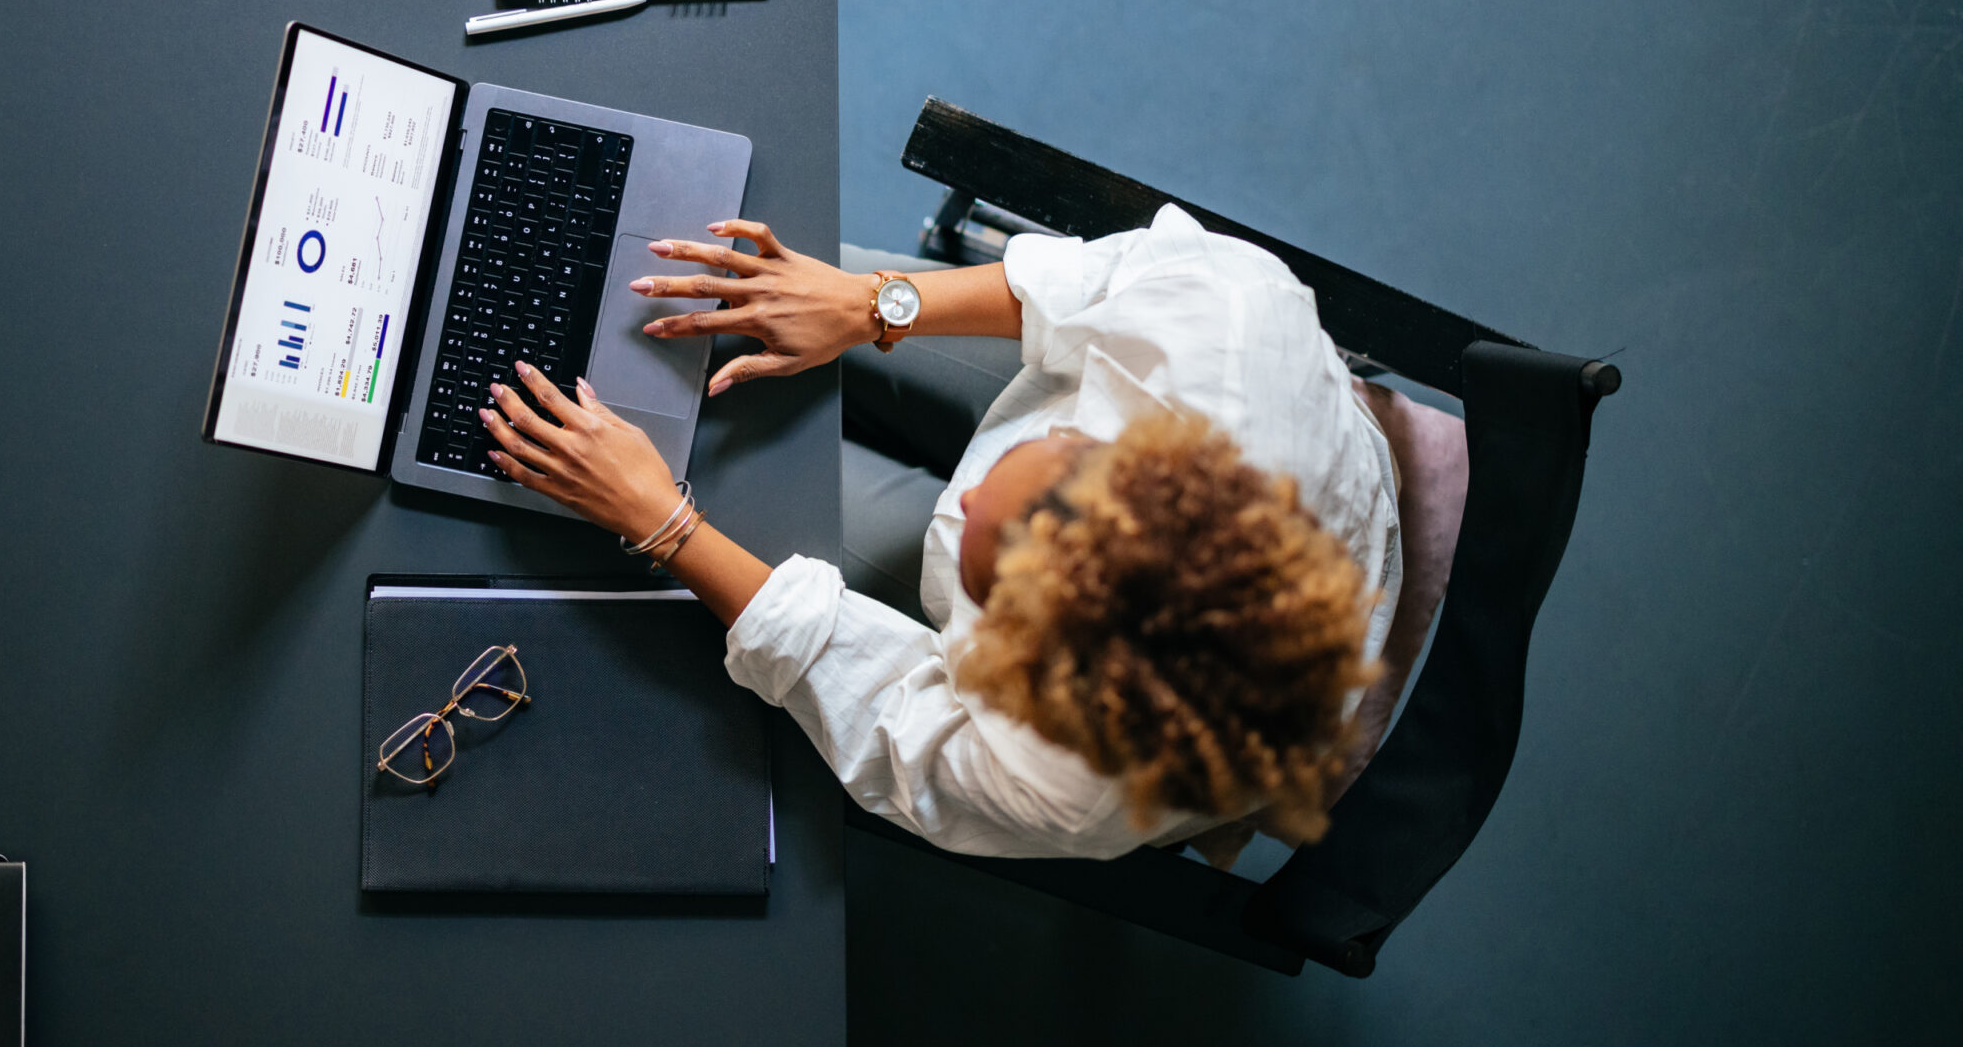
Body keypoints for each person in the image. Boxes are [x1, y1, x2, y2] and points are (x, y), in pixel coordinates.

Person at [475, 206, 1461, 864]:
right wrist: (869, 306)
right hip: (1189, 427)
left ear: (1022, 668)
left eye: (981, 573)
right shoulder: (1229, 340)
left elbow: (890, 714)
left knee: (747, 492)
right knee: (770, 293)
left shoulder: (1071, 782)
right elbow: (1099, 283)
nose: (963, 495)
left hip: (1100, 684)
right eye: (1060, 452)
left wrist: (665, 523)